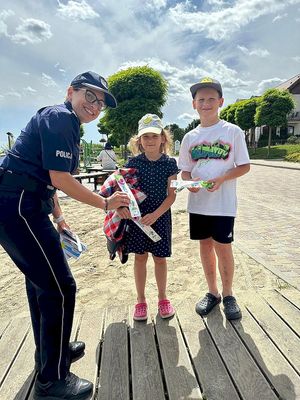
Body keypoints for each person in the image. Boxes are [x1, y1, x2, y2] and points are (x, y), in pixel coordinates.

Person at [0, 71, 129, 400]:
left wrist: (59, 218)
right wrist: (105, 203)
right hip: (17, 204)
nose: (96, 105)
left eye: (101, 102)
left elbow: (47, 176)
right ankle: (52, 381)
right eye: (90, 96)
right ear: (71, 91)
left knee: (41, 283)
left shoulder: (62, 121)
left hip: (23, 203)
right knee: (61, 288)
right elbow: (59, 177)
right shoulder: (62, 118)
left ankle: (50, 354)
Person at [178, 77, 250, 320]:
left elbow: (244, 166)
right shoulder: (189, 137)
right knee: (205, 247)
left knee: (223, 247)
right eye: (201, 99)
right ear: (194, 104)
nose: (206, 103)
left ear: (220, 101)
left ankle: (229, 295)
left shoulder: (232, 131)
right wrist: (189, 184)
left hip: (223, 205)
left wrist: (222, 178)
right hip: (198, 205)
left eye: (211, 99)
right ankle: (212, 292)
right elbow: (185, 170)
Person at [117, 114, 179, 321]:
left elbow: (172, 196)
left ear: (163, 138)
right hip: (137, 220)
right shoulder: (132, 163)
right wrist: (121, 208)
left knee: (160, 259)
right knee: (140, 258)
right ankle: (141, 300)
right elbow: (122, 190)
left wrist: (155, 215)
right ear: (139, 141)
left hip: (160, 217)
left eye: (154, 136)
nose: (150, 140)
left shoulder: (170, 164)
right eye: (145, 137)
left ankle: (163, 298)